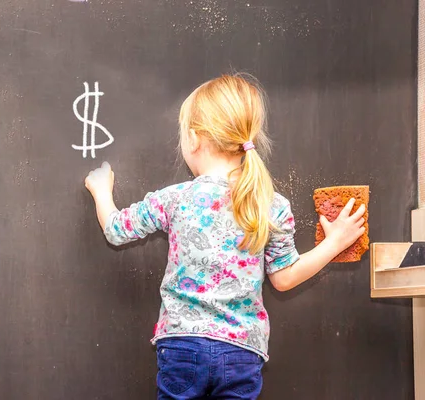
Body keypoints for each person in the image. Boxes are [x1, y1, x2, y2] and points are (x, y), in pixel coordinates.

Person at [83, 74, 366, 400]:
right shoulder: (270, 204)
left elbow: (116, 230)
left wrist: (101, 191)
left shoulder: (176, 198)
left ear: (193, 139)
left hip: (182, 345)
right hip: (241, 352)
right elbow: (285, 278)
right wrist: (334, 244)